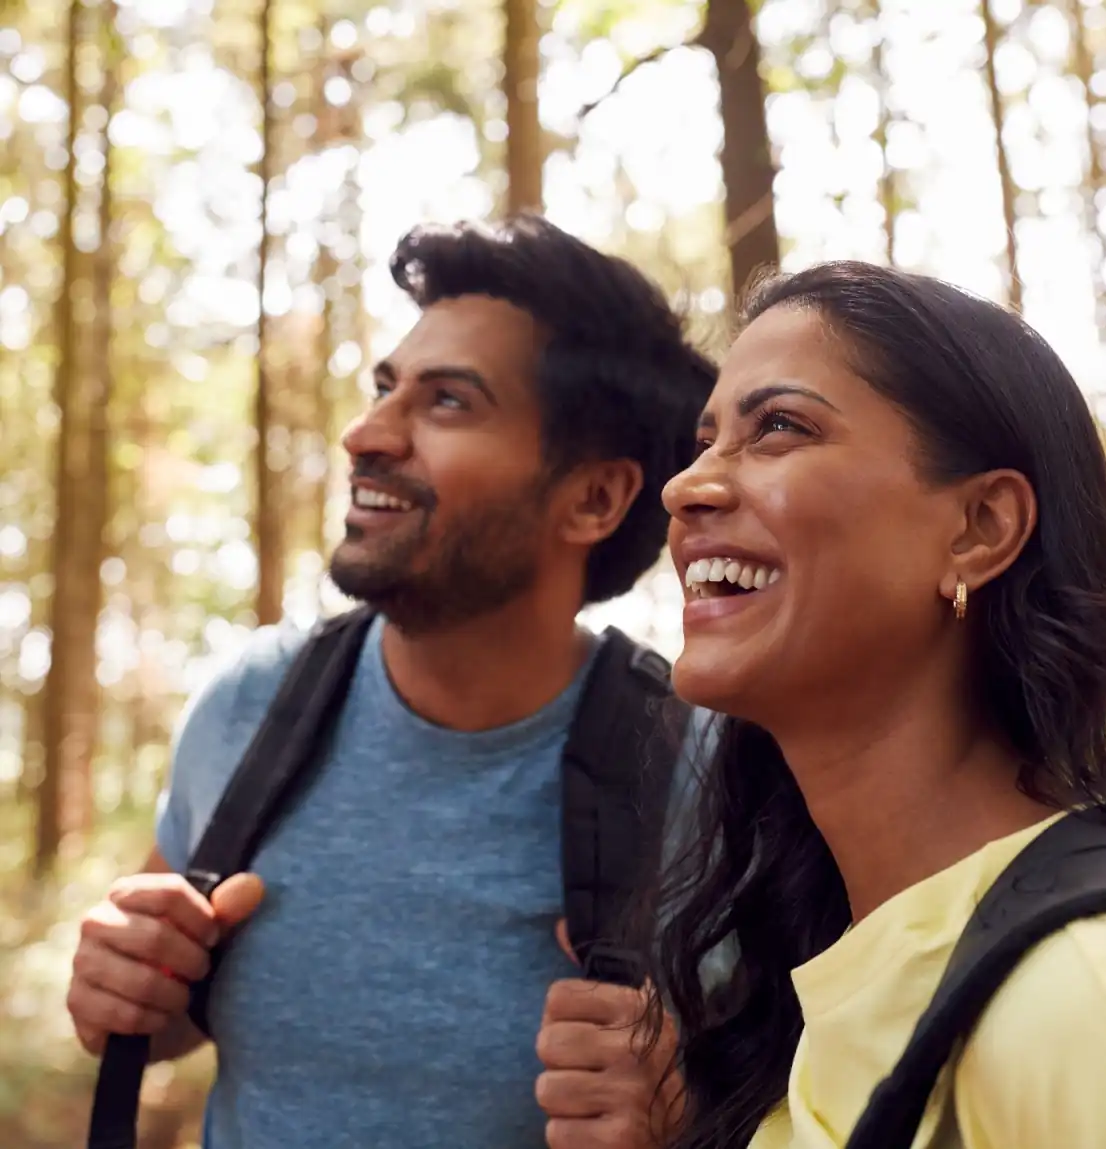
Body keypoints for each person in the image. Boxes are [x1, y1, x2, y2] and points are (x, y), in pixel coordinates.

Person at [66, 214, 717, 1149]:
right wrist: (125, 982)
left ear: (594, 498)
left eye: (447, 401)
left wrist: (682, 1121)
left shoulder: (701, 770)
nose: (366, 434)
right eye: (385, 388)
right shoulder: (253, 704)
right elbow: (168, 1005)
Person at [650, 260, 1106, 1149]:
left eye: (779, 427)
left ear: (980, 527)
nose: (689, 486)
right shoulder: (825, 978)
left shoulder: (1100, 993)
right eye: (706, 440)